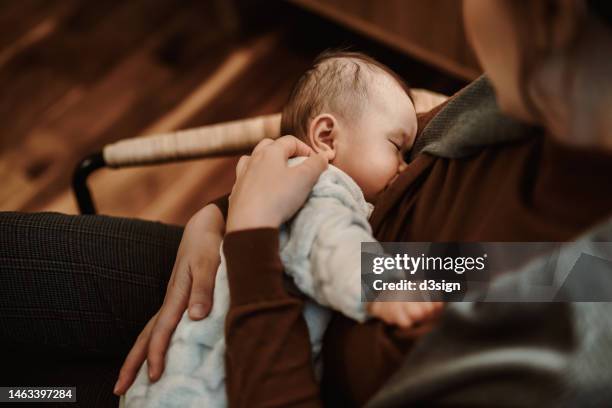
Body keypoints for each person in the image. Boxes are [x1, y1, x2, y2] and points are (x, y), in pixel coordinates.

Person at [1, 0, 611, 407]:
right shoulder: (524, 111)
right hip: (266, 273)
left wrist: (255, 236)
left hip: (265, 358)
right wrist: (226, 211)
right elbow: (435, 237)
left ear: (552, 19)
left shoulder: (571, 329)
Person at [124, 51, 442, 407]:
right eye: (397, 148)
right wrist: (385, 288)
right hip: (210, 386)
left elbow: (491, 269)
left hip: (193, 374)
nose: (403, 167)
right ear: (327, 137)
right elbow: (329, 244)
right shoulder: (326, 187)